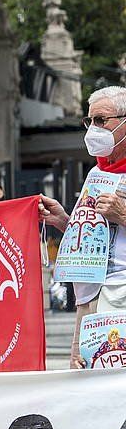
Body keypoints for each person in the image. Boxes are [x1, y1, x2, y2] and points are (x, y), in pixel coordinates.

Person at [39, 86, 126, 368]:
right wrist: (64, 220)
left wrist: (123, 214)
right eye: (89, 121)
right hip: (91, 296)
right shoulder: (96, 172)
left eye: (101, 120)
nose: (93, 129)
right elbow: (93, 235)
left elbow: (118, 219)